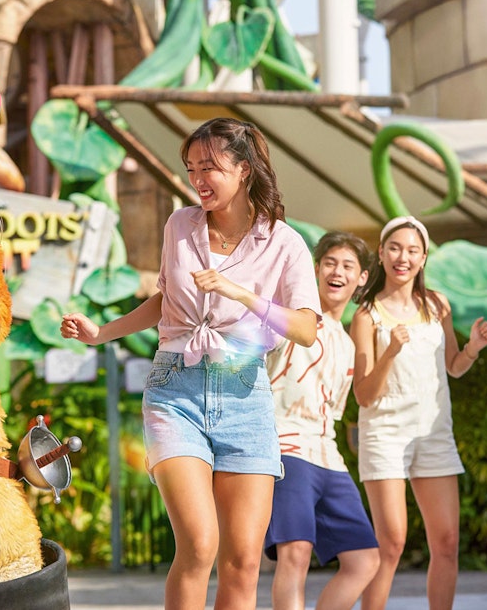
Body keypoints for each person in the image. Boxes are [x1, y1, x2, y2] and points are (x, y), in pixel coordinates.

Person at [60, 117, 321, 609]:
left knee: (243, 561)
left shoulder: (284, 243)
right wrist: (102, 332)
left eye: (211, 167)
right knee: (200, 545)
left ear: (243, 169)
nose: (198, 178)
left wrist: (243, 294)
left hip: (245, 395)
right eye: (191, 168)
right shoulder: (180, 225)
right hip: (173, 391)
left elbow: (306, 328)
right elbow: (168, 302)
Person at [349, 216, 487, 610]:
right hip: (385, 434)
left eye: (413, 250)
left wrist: (473, 349)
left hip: (433, 433)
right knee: (392, 542)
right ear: (381, 253)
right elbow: (363, 394)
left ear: (424, 257)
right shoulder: (367, 316)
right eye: (395, 248)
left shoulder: (436, 305)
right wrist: (390, 352)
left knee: (447, 542)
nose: (403, 257)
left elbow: (453, 366)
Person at [264, 231, 381, 610]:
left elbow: (335, 411)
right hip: (286, 448)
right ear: (316, 269)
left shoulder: (347, 342)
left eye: (348, 266)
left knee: (365, 560)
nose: (338, 272)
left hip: (328, 455)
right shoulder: (294, 320)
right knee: (295, 553)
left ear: (362, 278)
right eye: (330, 263)